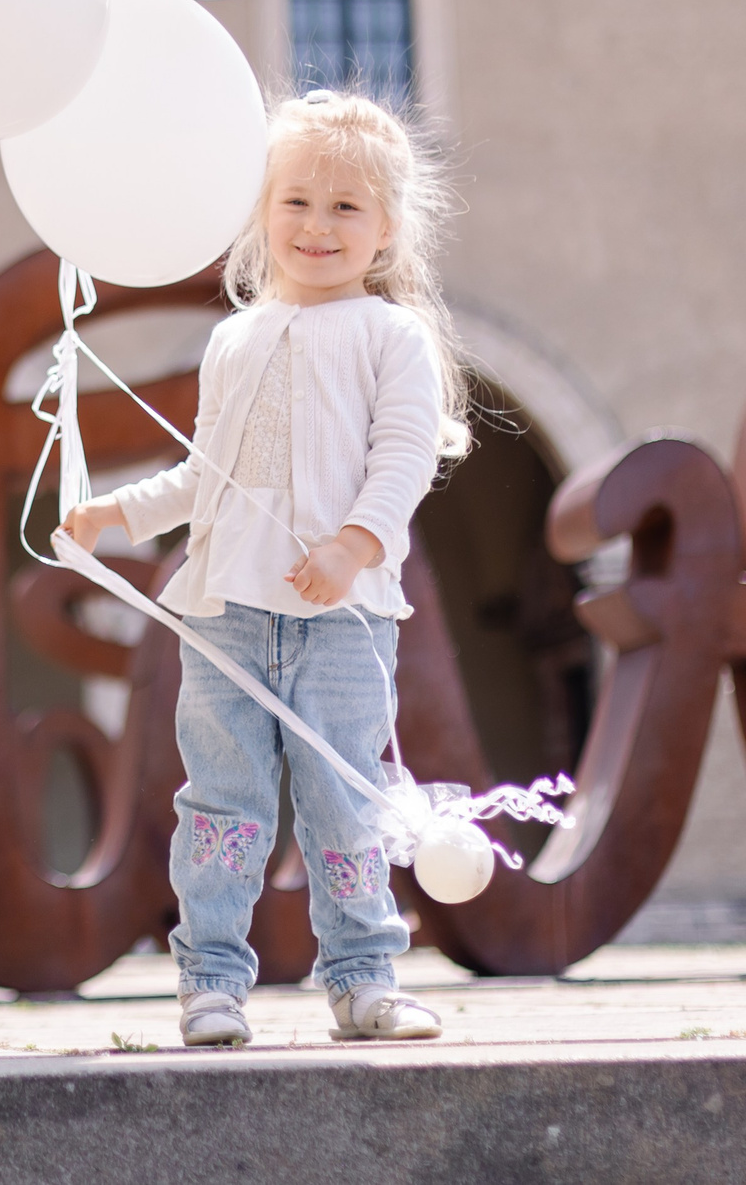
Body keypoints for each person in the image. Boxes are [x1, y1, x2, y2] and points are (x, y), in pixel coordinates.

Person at [65, 90, 463, 1048]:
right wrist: (123, 512)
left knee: (344, 799)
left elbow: (403, 458)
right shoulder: (233, 338)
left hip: (343, 617)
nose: (316, 225)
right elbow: (211, 473)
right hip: (226, 614)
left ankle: (363, 978)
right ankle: (210, 983)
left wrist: (353, 544)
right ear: (260, 212)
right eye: (296, 202)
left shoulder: (390, 335)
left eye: (344, 207)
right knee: (222, 799)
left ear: (386, 230)